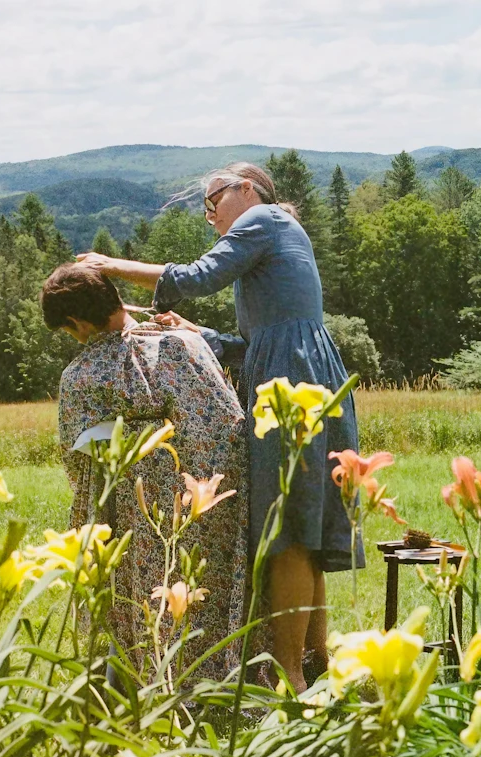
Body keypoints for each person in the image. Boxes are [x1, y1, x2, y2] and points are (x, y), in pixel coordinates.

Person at [76, 162, 363, 692]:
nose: (210, 217)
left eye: (212, 202)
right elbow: (252, 346)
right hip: (297, 373)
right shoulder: (270, 239)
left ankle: (290, 677)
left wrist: (109, 265)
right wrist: (197, 332)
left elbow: (195, 277)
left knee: (290, 533)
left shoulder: (265, 219)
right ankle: (315, 665)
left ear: (247, 189)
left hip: (289, 384)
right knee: (303, 528)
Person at [42, 264, 248, 683]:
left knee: (142, 586)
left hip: (136, 511)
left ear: (77, 323)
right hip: (206, 499)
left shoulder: (79, 376)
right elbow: (227, 419)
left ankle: (144, 675)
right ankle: (219, 672)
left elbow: (79, 459)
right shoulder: (182, 343)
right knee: (202, 579)